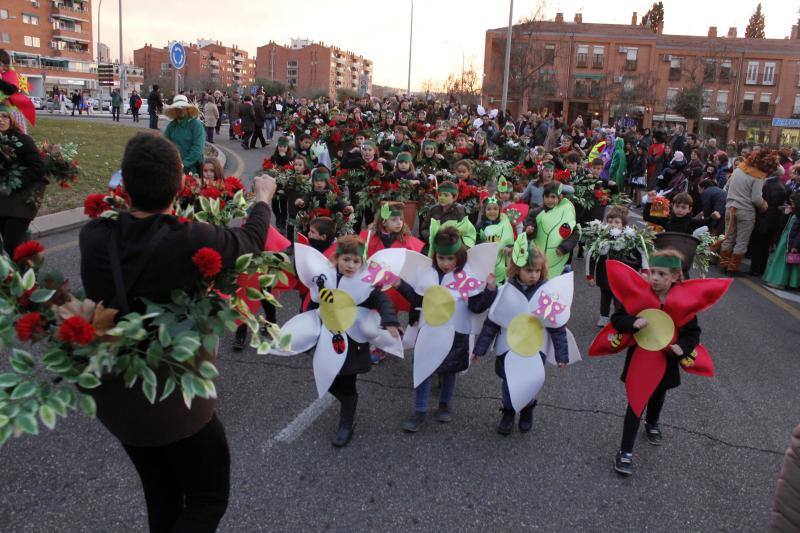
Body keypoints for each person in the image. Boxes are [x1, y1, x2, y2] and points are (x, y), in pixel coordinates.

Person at [79, 132, 277, 532]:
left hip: (120, 400)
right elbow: (250, 239)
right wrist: (263, 198)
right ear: (182, 185)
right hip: (176, 401)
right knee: (207, 498)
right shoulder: (187, 240)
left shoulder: (94, 237)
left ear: (125, 184)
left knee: (162, 493)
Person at [394, 227, 497, 432]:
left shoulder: (466, 276)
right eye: (442, 258)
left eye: (451, 258)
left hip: (455, 332)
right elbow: (418, 300)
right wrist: (400, 285)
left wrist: (489, 289)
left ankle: (444, 404)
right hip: (429, 330)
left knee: (450, 371)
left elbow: (476, 306)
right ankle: (420, 410)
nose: (447, 263)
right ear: (435, 256)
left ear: (459, 256)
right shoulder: (427, 273)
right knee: (423, 368)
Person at [610, 249, 701, 476]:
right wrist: (633, 322)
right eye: (653, 273)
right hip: (641, 358)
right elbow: (617, 319)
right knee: (635, 402)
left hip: (666, 359)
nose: (655, 279)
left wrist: (683, 347)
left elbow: (693, 332)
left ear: (675, 277)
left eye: (662, 274)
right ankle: (625, 451)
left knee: (658, 395)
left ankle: (652, 422)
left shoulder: (683, 303)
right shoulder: (640, 297)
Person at [308, 235, 401, 446]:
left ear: (362, 263)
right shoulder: (327, 276)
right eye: (346, 260)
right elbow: (315, 303)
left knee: (348, 381)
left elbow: (382, 300)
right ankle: (348, 402)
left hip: (353, 341)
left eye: (356, 261)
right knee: (328, 377)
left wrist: (389, 320)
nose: (351, 265)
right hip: (329, 337)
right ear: (337, 258)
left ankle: (346, 424)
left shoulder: (365, 284)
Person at [472, 242, 568, 435]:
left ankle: (527, 409)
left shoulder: (546, 294)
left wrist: (561, 355)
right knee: (509, 383)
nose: (534, 275)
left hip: (534, 349)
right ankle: (508, 411)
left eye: (537, 271)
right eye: (528, 270)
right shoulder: (505, 291)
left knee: (530, 381)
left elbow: (557, 327)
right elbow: (492, 323)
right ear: (516, 270)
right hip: (509, 348)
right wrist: (479, 350)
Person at [586, 206, 645, 327]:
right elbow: (591, 255)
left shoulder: (629, 238)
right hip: (604, 276)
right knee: (605, 298)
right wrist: (590, 275)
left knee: (620, 300)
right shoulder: (601, 238)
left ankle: (620, 319)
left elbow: (642, 253)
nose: (612, 224)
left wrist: (645, 270)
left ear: (623, 225)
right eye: (610, 221)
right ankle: (604, 317)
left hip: (621, 279)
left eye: (616, 222)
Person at [719, 150, 776, 275]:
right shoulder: (759, 175)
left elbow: (727, 187)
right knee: (742, 241)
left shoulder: (739, 169)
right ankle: (733, 268)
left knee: (728, 237)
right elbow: (756, 198)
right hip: (745, 211)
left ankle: (723, 264)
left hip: (730, 207)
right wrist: (764, 206)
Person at [0, 104, 46, 254]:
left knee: (11, 245)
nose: (0, 120)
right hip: (3, 200)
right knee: (12, 244)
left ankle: (27, 275)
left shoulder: (23, 140)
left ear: (12, 119)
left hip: (21, 200)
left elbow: (38, 168)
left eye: (4, 116)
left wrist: (15, 184)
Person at [763, 192, 800, 290]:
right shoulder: (793, 212)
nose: (791, 204)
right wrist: (785, 214)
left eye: (793, 202)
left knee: (784, 262)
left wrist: (796, 245)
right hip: (786, 239)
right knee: (785, 261)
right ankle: (783, 281)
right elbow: (782, 225)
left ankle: (779, 282)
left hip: (790, 242)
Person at [163, 95, 206, 175]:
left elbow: (198, 148)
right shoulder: (171, 126)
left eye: (183, 107)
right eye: (178, 108)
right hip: (175, 169)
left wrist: (184, 164)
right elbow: (164, 146)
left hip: (193, 169)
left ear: (187, 109)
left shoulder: (196, 125)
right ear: (174, 110)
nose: (181, 110)